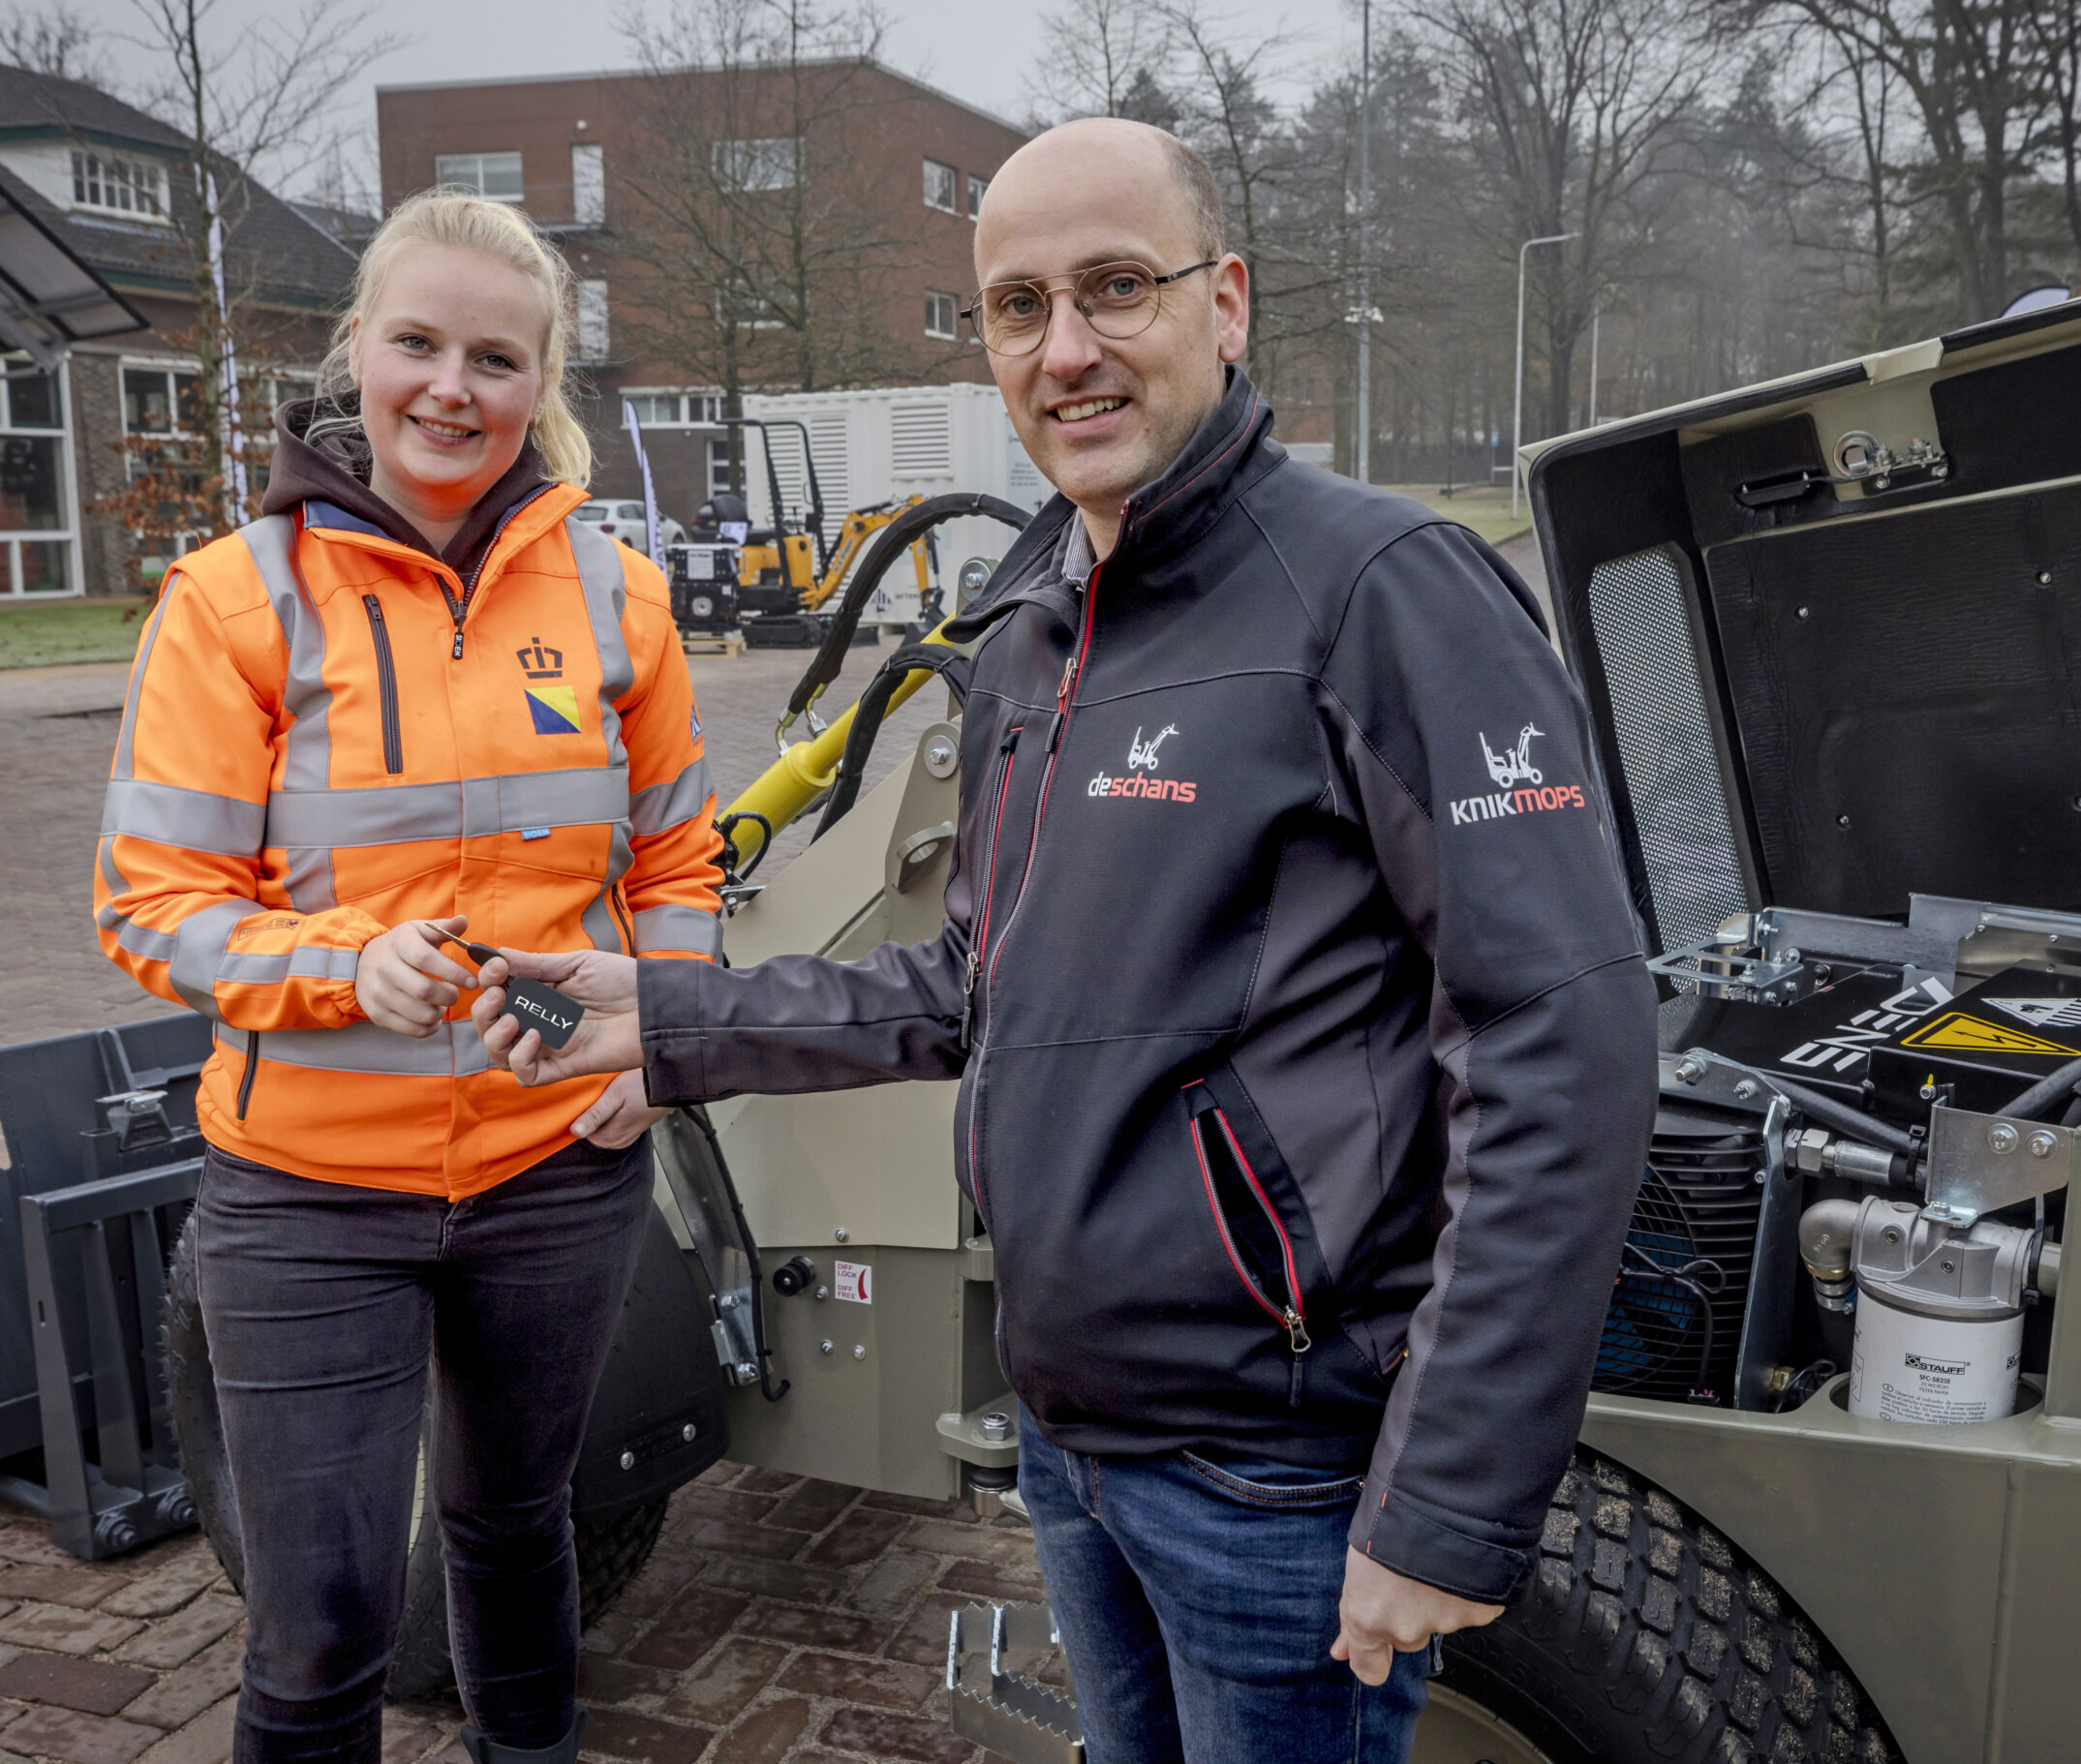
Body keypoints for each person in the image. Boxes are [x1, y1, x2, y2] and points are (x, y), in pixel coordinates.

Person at [476, 119, 1658, 1764]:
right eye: (1019, 305)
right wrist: (671, 1022)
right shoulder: (1036, 625)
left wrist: (1450, 1498)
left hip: (1273, 1475)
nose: (1069, 347)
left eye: (1117, 287)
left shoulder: (1382, 590)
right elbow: (972, 979)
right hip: (1072, 1442)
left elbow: (1566, 1039)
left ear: (1225, 302)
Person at [93, 191, 721, 1764]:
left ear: (543, 384)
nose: (454, 387)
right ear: (357, 352)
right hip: (307, 1190)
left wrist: (662, 1048)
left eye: (497, 358)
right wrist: (337, 963)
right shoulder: (233, 601)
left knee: (519, 1541)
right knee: (320, 1623)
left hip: (552, 1174)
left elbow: (678, 863)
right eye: (419, 342)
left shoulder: (617, 597)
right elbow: (151, 903)